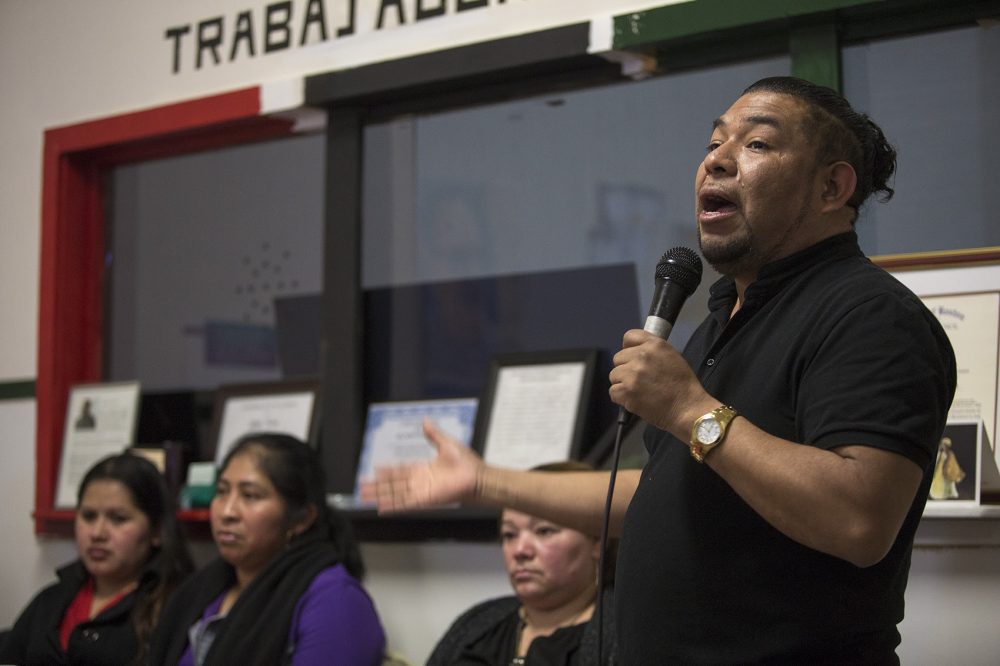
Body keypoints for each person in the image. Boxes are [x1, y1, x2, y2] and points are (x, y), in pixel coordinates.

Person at [364, 76, 957, 663]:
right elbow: (664, 493)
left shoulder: (871, 315)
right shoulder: (720, 321)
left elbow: (858, 519)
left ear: (833, 186)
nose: (717, 162)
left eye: (756, 145)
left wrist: (689, 409)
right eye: (713, 144)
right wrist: (486, 482)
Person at [149, 432, 386, 666]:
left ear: (301, 519)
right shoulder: (205, 588)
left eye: (250, 495)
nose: (227, 512)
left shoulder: (334, 600)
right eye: (221, 491)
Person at [0, 452, 194, 665]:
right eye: (89, 516)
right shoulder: (51, 601)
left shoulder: (176, 607)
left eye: (118, 519)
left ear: (157, 531)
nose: (98, 533)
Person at [427, 462, 616, 666]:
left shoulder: (623, 631)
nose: (520, 551)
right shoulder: (478, 622)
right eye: (509, 534)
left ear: (597, 540)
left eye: (544, 531)